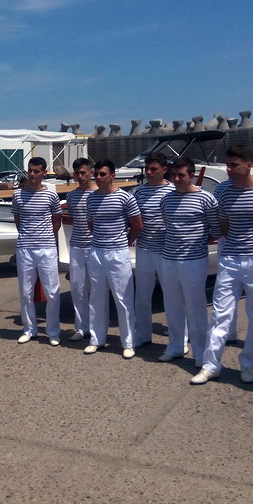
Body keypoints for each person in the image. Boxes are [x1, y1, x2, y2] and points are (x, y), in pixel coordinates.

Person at [191, 146, 253, 385]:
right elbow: (223, 225)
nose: (229, 170)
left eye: (234, 165)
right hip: (230, 259)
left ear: (248, 165)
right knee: (220, 314)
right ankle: (211, 365)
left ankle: (248, 363)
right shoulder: (222, 191)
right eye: (227, 165)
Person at [159, 157, 220, 364]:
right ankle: (175, 346)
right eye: (174, 175)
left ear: (191, 175)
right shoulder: (166, 200)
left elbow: (215, 230)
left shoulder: (206, 199)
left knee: (195, 307)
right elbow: (168, 224)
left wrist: (197, 242)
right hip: (169, 259)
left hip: (194, 260)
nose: (176, 179)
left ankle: (200, 353)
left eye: (181, 175)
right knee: (172, 305)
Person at [83, 159, 142, 357]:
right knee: (96, 297)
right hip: (97, 252)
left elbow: (137, 225)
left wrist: (125, 242)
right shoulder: (91, 199)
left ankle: (128, 343)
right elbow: (91, 224)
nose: (98, 178)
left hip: (118, 253)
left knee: (123, 298)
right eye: (96, 174)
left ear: (112, 176)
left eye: (103, 174)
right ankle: (96, 339)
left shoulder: (125, 198)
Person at [11, 157, 62, 346]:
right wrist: (29, 236)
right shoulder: (18, 195)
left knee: (52, 292)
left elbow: (57, 221)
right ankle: (29, 329)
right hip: (25, 248)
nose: (32, 175)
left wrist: (45, 236)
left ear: (44, 173)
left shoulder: (51, 195)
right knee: (25, 292)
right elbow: (18, 220)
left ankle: (53, 331)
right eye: (30, 171)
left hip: (47, 248)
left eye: (36, 171)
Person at [131, 152, 174, 347]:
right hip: (144, 249)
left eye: (153, 169)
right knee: (142, 295)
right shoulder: (138, 192)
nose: (149, 172)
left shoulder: (173, 191)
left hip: (167, 251)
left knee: (172, 295)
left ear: (164, 170)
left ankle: (178, 335)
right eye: (147, 169)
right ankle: (143, 334)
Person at [63, 158, 97, 342]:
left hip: (95, 246)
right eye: (77, 173)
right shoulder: (71, 195)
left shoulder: (98, 193)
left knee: (97, 289)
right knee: (77, 289)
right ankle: (82, 327)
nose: (80, 176)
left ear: (91, 173)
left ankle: (96, 327)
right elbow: (72, 220)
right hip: (77, 246)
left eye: (83, 172)